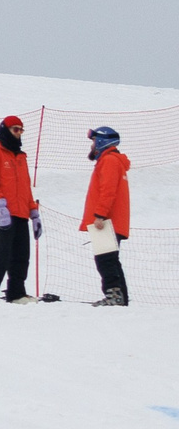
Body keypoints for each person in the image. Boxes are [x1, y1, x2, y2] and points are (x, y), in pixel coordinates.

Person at [0, 114, 40, 303]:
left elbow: (25, 186)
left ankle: (16, 293)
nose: (19, 134)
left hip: (21, 212)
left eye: (21, 130)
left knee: (22, 255)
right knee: (3, 253)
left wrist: (33, 211)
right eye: (15, 130)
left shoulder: (21, 156)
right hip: (4, 212)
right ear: (6, 129)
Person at [82, 126, 131, 307]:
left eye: (94, 141)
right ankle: (120, 297)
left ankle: (114, 296)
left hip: (106, 220)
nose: (93, 145)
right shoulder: (112, 161)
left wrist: (100, 215)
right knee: (110, 259)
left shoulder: (109, 161)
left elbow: (108, 191)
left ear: (102, 141)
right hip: (112, 220)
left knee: (105, 259)